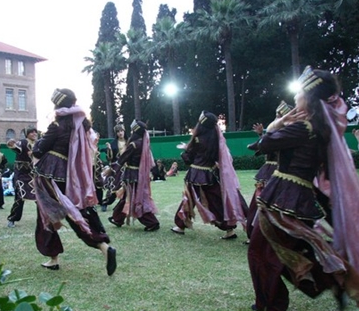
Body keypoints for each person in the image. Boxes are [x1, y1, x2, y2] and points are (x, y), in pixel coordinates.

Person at [247, 66, 359, 311]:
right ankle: (323, 281)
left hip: (285, 195)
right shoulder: (317, 128)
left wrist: (277, 123)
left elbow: (265, 144)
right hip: (296, 196)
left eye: (299, 92)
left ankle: (282, 299)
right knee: (286, 248)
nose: (295, 97)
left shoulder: (303, 127)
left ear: (307, 95)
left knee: (262, 249)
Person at [32, 88, 116, 276]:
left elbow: (39, 151)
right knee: (76, 211)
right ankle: (103, 246)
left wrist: (37, 144)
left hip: (49, 174)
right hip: (71, 176)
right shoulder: (81, 126)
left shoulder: (56, 126)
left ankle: (53, 258)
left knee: (46, 216)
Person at [170, 111, 247, 239]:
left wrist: (184, 151)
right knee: (215, 202)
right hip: (210, 174)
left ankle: (180, 225)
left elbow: (189, 158)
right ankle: (229, 229)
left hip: (196, 174)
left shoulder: (197, 138)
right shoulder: (216, 139)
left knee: (189, 200)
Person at [244, 101, 291, 240]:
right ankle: (256, 233)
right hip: (271, 171)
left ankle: (261, 234)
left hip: (275, 172)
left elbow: (257, 146)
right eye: (276, 115)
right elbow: (264, 145)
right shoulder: (277, 132)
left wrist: (262, 137)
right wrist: (261, 134)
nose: (276, 118)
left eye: (279, 115)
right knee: (260, 204)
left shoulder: (284, 133)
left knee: (264, 204)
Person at [107, 120, 160, 232]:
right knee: (127, 196)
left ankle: (152, 222)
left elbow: (123, 158)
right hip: (137, 175)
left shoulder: (134, 144)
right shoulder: (143, 143)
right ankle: (117, 218)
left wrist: (111, 169)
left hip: (132, 174)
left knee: (134, 199)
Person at [6, 127, 38, 228]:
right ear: (26, 134)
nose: (34, 134)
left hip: (33, 174)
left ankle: (45, 218)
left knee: (39, 197)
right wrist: (11, 144)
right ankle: (12, 219)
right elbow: (17, 149)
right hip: (21, 175)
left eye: (35, 132)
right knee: (20, 196)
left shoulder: (38, 144)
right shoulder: (23, 142)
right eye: (31, 132)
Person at [101, 123, 128, 211]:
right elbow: (110, 158)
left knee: (128, 189)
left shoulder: (129, 142)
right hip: (117, 169)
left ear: (124, 131)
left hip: (128, 168)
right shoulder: (114, 144)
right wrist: (109, 149)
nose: (120, 133)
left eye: (121, 131)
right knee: (114, 188)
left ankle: (122, 207)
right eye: (118, 132)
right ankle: (105, 202)